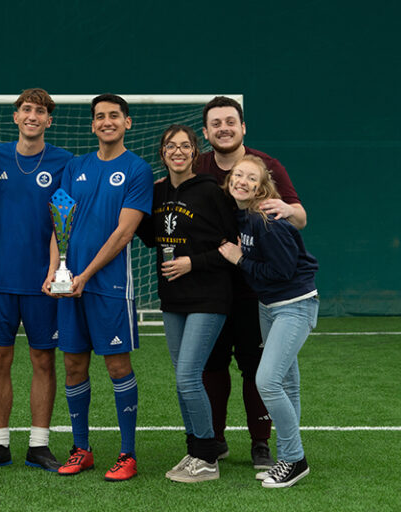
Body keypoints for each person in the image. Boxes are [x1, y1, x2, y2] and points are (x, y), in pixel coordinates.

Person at [43, 94, 153, 481]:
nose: (107, 121)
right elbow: (60, 221)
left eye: (114, 116)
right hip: (70, 284)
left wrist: (85, 275)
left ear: (127, 122)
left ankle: (127, 454)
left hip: (110, 287)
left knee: (117, 365)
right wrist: (55, 270)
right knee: (73, 365)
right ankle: (81, 449)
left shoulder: (137, 169)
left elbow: (124, 232)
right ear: (92, 125)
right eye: (100, 117)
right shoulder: (75, 166)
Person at [195, 96, 307, 469]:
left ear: (243, 127)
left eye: (230, 121)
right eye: (216, 123)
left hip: (255, 291)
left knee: (257, 368)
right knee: (212, 365)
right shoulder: (198, 167)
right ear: (206, 132)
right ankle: (215, 439)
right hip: (210, 287)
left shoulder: (266, 166)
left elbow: (300, 217)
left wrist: (288, 210)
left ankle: (261, 443)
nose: (223, 128)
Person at [0, 89, 73, 472]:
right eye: (27, 109)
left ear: (49, 120)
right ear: (16, 116)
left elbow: (64, 221)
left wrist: (55, 270)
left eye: (40, 111)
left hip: (44, 282)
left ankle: (38, 445)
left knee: (43, 359)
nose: (33, 116)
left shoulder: (64, 161)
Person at [136, 125, 237, 483]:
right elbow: (150, 236)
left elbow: (234, 246)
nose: (177, 151)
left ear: (195, 152)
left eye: (185, 146)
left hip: (209, 295)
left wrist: (193, 262)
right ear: (162, 153)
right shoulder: (156, 192)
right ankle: (195, 450)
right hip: (173, 297)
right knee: (182, 379)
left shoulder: (211, 191)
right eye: (170, 146)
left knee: (188, 376)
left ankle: (208, 457)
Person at [218, 155, 318, 488]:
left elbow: (282, 272)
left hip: (294, 306)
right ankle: (289, 457)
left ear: (261, 188)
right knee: (287, 383)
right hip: (269, 305)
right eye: (237, 175)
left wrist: (239, 259)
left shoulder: (267, 221)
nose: (242, 181)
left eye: (251, 178)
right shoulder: (245, 216)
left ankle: (294, 459)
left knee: (268, 381)